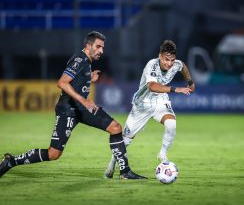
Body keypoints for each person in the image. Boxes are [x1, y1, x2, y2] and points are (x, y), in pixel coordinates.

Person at [0, 31, 146, 180]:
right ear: (88, 46)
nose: (101, 50)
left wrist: (90, 79)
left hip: (81, 109)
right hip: (68, 110)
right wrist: (84, 100)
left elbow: (77, 82)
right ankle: (11, 161)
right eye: (98, 46)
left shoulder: (86, 61)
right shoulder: (79, 60)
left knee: (115, 128)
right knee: (53, 154)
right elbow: (62, 82)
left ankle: (125, 171)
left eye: (102, 47)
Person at [104, 39, 195, 179]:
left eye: (172, 60)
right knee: (126, 140)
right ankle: (112, 162)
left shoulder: (176, 64)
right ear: (160, 56)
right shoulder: (152, 65)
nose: (169, 63)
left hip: (160, 100)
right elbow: (152, 86)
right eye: (166, 59)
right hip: (142, 104)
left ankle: (163, 154)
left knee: (171, 124)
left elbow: (182, 66)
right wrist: (176, 89)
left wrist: (190, 82)